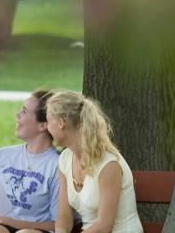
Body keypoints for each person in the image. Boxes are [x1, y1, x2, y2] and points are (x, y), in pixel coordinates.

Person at [0, 90, 60, 233]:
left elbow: (58, 224)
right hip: (0, 227)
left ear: (43, 125)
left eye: (25, 111)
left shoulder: (56, 165)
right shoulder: (3, 155)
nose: (17, 115)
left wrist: (16, 224)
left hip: (33, 230)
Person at [46, 91, 143, 233]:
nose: (47, 128)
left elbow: (104, 226)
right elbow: (64, 215)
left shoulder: (108, 164)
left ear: (61, 123)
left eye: (48, 121)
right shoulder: (65, 159)